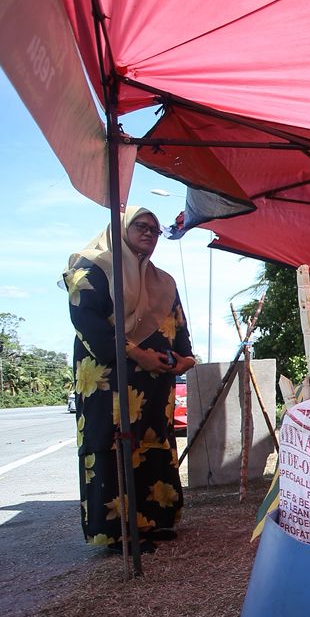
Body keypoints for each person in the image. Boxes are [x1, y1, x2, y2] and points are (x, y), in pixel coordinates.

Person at [63, 207, 196, 553]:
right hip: (109, 380)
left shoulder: (164, 281)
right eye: (141, 226)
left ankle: (156, 520)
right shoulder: (91, 268)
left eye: (155, 229)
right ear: (120, 229)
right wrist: (137, 354)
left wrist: (185, 357)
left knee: (154, 441)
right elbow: (88, 322)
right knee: (112, 444)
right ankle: (118, 531)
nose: (150, 233)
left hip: (156, 381)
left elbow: (178, 326)